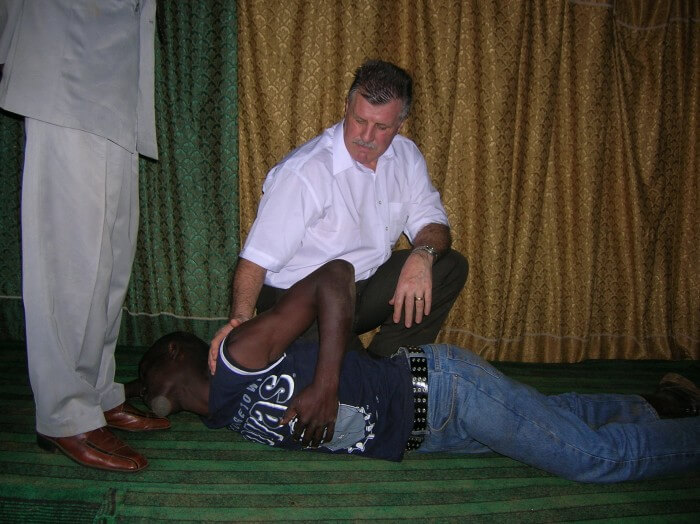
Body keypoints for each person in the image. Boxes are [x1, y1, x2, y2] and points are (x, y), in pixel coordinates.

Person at [130, 260, 700, 483]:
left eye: (145, 370)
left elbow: (335, 277)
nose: (142, 385)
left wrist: (327, 383)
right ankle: (664, 404)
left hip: (447, 391)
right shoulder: (222, 416)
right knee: (559, 417)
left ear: (177, 352)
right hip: (430, 434)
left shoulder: (235, 356)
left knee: (593, 460)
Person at [209, 59, 469, 375]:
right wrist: (239, 321)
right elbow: (254, 260)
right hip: (299, 301)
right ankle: (360, 374)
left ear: (401, 123)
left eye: (382, 127)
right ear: (346, 107)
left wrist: (423, 255)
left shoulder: (407, 156)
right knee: (345, 383)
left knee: (448, 266)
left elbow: (433, 224)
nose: (366, 136)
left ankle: (388, 368)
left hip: (361, 288)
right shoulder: (305, 171)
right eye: (359, 120)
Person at [0, 0, 169, 473]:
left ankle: (95, 393)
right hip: (67, 69)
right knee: (70, 263)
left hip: (116, 89)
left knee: (108, 264)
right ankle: (64, 414)